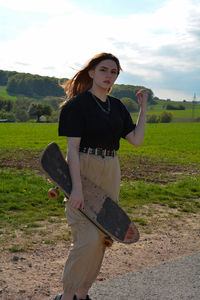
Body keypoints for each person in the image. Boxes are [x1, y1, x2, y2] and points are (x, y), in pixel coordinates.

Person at [54, 52, 148, 300]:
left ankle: (83, 294)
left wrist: (143, 108)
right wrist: (76, 188)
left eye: (114, 72)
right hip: (83, 167)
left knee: (102, 236)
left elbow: (136, 141)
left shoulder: (116, 106)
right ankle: (67, 296)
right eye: (104, 70)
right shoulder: (77, 106)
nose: (109, 76)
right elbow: (72, 149)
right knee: (87, 238)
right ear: (92, 73)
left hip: (111, 169)